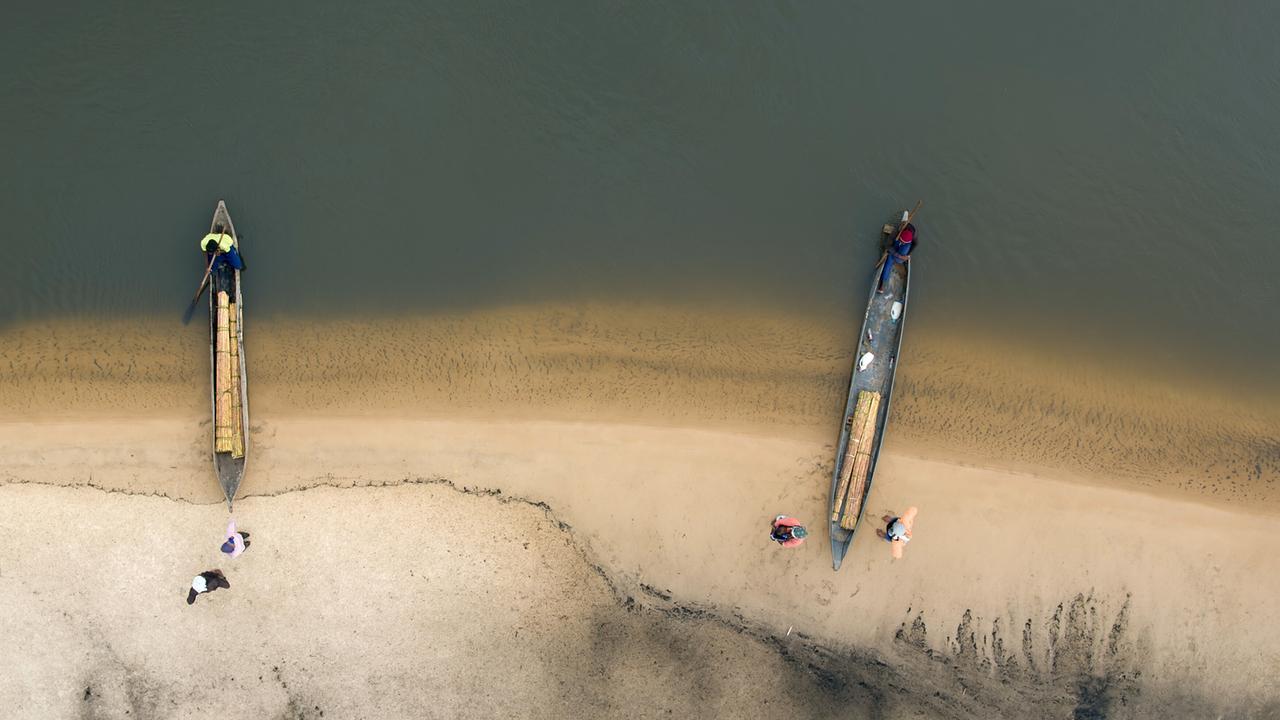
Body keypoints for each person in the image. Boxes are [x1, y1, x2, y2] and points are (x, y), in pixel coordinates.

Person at [877, 223, 916, 293]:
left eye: (904, 242)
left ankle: (897, 259)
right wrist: (898, 255)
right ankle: (882, 283)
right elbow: (888, 246)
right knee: (890, 259)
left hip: (906, 246)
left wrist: (908, 255)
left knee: (899, 259)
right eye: (902, 241)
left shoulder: (914, 237)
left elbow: (914, 246)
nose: (902, 243)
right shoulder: (896, 232)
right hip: (896, 243)